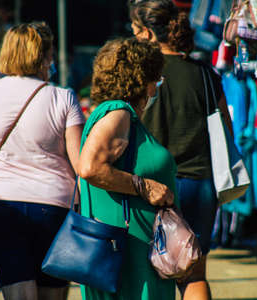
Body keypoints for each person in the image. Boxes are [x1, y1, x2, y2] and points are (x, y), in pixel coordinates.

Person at [0, 22, 85, 300]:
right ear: (43, 55)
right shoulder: (63, 97)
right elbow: (80, 165)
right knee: (53, 293)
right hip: (54, 207)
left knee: (19, 293)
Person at [129, 1, 233, 299]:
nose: (134, 38)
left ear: (149, 34)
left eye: (136, 32)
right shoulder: (206, 73)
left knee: (147, 273)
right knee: (193, 274)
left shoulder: (139, 74)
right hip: (199, 185)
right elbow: (226, 129)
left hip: (150, 186)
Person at [76, 37, 176, 300]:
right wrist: (145, 186)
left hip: (127, 247)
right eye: (157, 80)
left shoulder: (116, 114)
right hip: (126, 250)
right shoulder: (119, 112)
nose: (156, 89)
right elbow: (89, 167)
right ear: (142, 80)